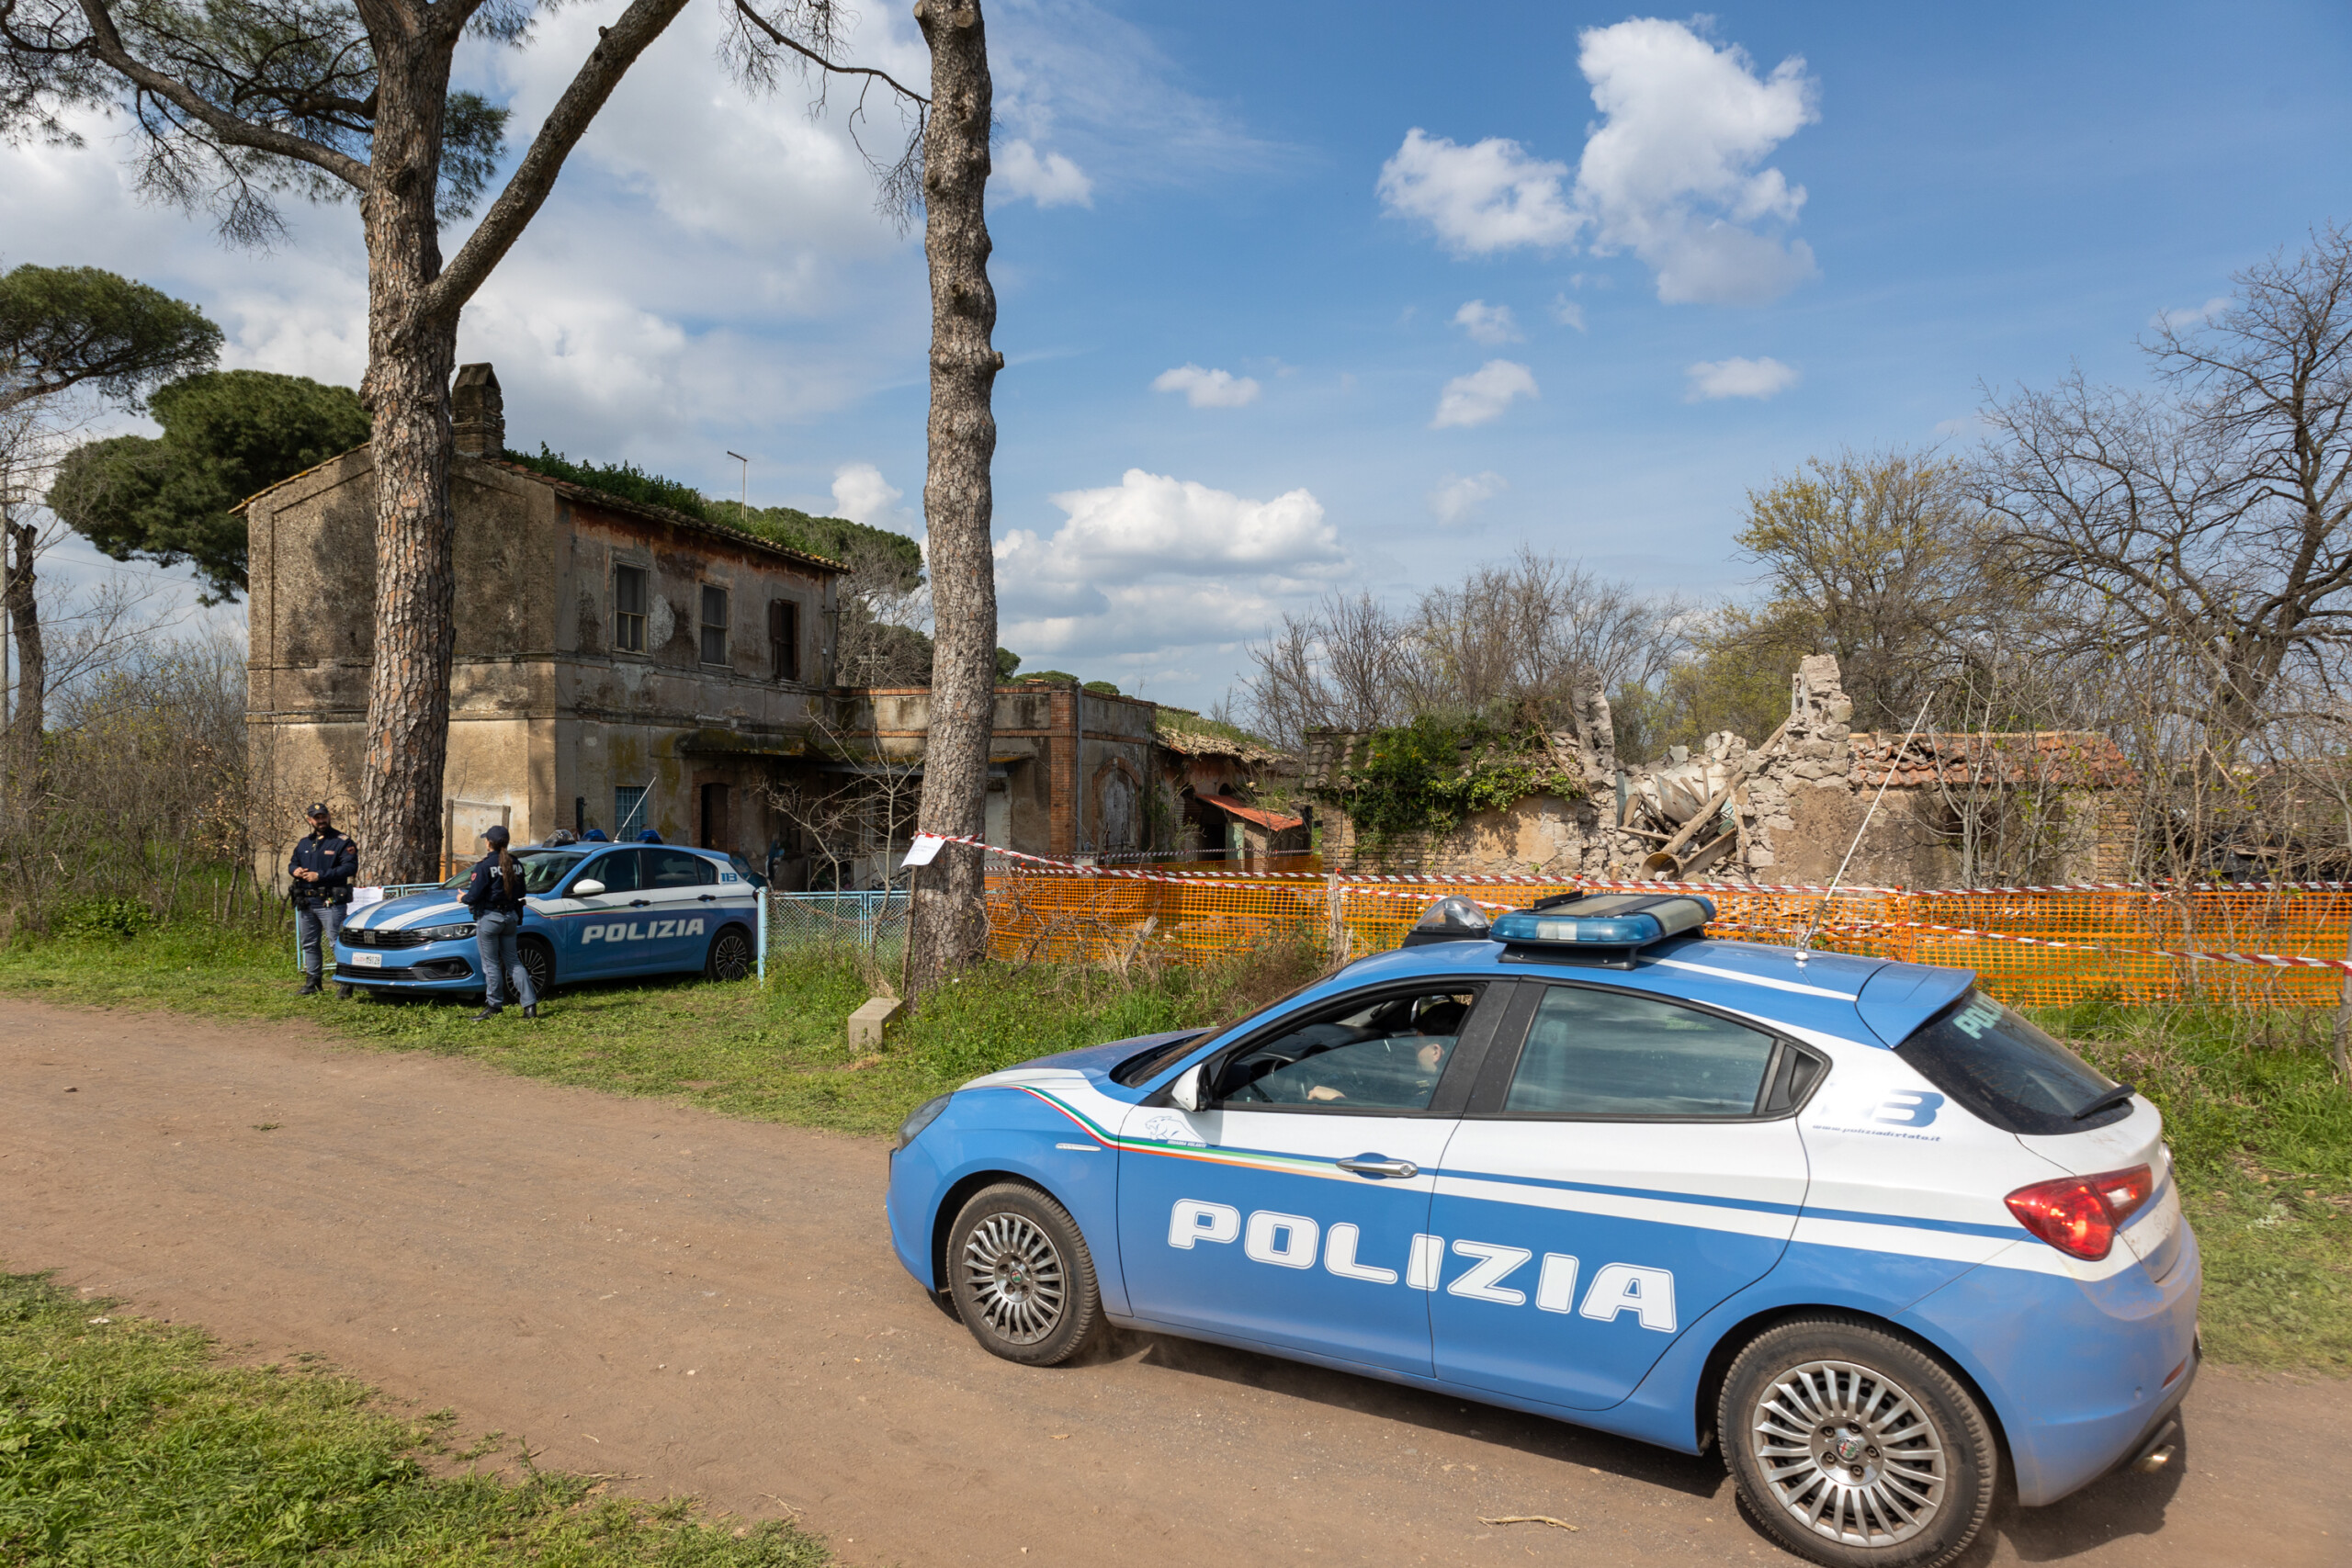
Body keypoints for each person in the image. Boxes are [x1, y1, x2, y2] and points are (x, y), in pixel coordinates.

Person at [462, 824, 538, 1021]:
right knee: (514, 962)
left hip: (490, 918)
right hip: (511, 917)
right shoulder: (515, 863)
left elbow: (474, 895)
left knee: (491, 965)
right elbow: (521, 892)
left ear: (489, 843)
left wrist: (462, 898)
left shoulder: (484, 866)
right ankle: (529, 1006)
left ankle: (494, 1006)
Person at [288, 802, 357, 998]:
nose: (321, 820)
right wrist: (295, 870)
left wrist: (320, 876)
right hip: (306, 902)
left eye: (323, 816)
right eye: (316, 817)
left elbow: (349, 868)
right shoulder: (304, 843)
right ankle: (313, 983)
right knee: (309, 943)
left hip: (330, 901)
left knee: (336, 942)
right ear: (310, 820)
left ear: (328, 816)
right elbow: (293, 863)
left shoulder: (342, 841)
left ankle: (346, 983)